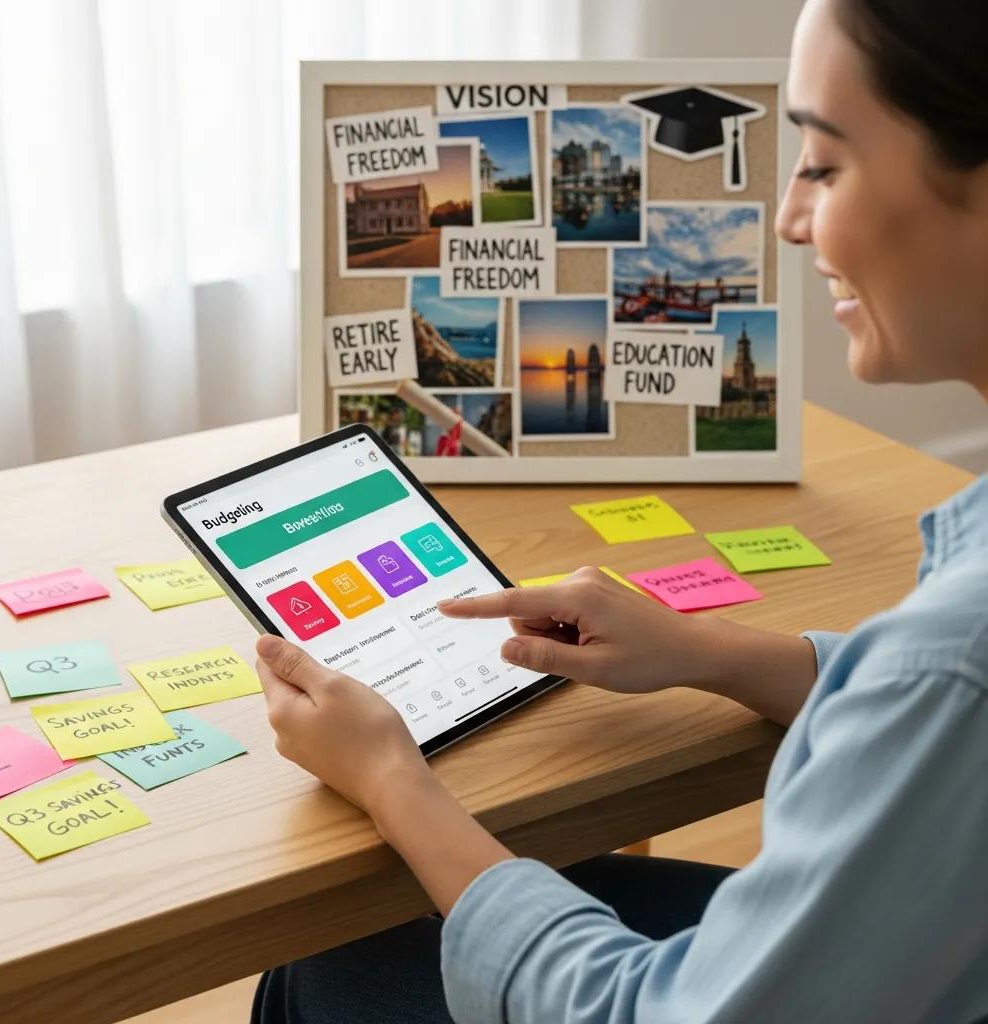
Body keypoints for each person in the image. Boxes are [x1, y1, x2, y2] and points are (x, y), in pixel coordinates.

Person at [251, 0, 988, 1019]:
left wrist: (391, 779)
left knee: (338, 953)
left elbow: (643, 1012)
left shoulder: (952, 660)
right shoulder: (948, 662)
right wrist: (708, 650)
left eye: (822, 164)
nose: (784, 218)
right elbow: (938, 722)